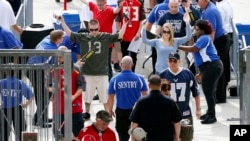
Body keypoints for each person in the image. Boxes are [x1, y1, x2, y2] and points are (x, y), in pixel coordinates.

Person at [57, 15, 128, 120]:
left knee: (104, 95)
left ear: (99, 27)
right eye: (92, 29)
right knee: (88, 96)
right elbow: (70, 33)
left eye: (96, 29)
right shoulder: (83, 37)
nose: (94, 32)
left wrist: (125, 23)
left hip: (102, 72)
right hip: (88, 72)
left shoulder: (105, 36)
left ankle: (107, 113)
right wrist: (62, 22)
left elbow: (119, 35)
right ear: (88, 28)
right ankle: (87, 112)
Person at [178, 19, 223, 124]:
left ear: (203, 30)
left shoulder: (204, 38)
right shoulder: (202, 38)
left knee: (208, 91)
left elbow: (194, 49)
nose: (196, 31)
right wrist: (201, 73)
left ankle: (212, 116)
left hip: (212, 67)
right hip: (210, 67)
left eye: (197, 29)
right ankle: (209, 112)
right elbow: (203, 57)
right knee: (210, 91)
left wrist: (177, 46)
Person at [159, 52, 201, 141]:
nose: (172, 63)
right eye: (170, 60)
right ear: (167, 61)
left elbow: (196, 92)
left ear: (179, 61)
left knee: (186, 137)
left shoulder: (187, 73)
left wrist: (198, 109)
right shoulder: (162, 75)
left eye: (175, 61)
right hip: (168, 115)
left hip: (185, 113)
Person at [27, 30, 64, 128]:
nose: (63, 39)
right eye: (62, 38)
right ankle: (38, 120)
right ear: (57, 39)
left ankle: (41, 117)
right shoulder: (53, 49)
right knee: (45, 95)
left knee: (42, 95)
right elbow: (54, 65)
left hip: (32, 68)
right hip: (35, 70)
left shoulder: (47, 38)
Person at [129, 74, 182, 141]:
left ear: (149, 85)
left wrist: (133, 138)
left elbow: (134, 122)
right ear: (160, 85)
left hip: (147, 137)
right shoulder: (170, 102)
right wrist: (177, 137)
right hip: (166, 137)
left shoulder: (141, 102)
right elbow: (177, 122)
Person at [49, 46, 86, 141]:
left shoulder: (76, 69)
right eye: (58, 56)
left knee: (77, 136)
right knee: (60, 136)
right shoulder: (53, 69)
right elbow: (47, 85)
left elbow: (82, 86)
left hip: (75, 108)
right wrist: (54, 89)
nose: (59, 58)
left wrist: (74, 96)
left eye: (61, 56)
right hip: (58, 109)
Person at [197, 0, 230, 103]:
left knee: (218, 68)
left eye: (199, 1)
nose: (198, 3)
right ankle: (219, 94)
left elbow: (212, 33)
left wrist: (207, 48)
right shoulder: (206, 9)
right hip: (220, 40)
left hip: (219, 41)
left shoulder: (209, 11)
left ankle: (220, 96)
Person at [107, 56, 148, 141]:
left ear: (121, 64)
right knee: (137, 135)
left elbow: (111, 96)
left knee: (122, 135)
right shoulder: (140, 78)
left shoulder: (115, 79)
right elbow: (145, 95)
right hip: (136, 111)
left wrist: (110, 110)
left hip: (121, 110)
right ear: (132, 65)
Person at [0, 65, 35, 141]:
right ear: (15, 72)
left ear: (6, 72)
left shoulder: (1, 82)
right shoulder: (20, 83)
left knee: (3, 133)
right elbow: (31, 96)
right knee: (20, 132)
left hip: (5, 110)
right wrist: (26, 104)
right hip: (17, 110)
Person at [116, 0, 146, 72]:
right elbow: (117, 20)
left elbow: (141, 19)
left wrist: (138, 32)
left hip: (135, 34)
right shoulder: (120, 2)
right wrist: (119, 32)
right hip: (124, 33)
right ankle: (125, 72)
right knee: (124, 55)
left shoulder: (139, 2)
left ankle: (133, 72)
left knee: (133, 56)